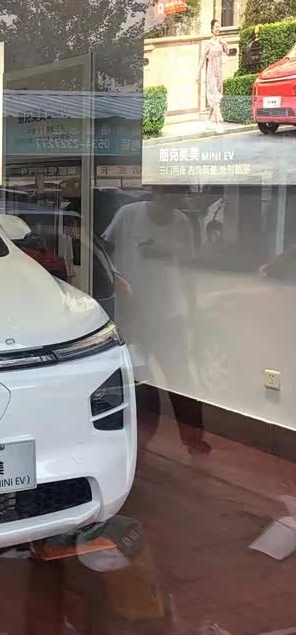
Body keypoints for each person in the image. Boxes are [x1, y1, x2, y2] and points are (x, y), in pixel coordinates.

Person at [103, 187, 210, 455]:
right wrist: (116, 278)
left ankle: (193, 438)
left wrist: (193, 308)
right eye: (169, 197)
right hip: (133, 315)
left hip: (169, 313)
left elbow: (187, 269)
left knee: (180, 377)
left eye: (177, 197)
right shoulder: (128, 215)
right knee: (138, 379)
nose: (172, 203)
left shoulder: (182, 222)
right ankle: (140, 441)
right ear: (156, 194)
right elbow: (104, 250)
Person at [198, 19, 229, 124]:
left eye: (219, 27)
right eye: (216, 27)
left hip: (219, 73)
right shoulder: (209, 44)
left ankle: (208, 120)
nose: (218, 29)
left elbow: (227, 51)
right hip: (211, 73)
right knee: (214, 97)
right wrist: (198, 73)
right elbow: (202, 58)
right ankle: (217, 123)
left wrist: (223, 42)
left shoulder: (220, 42)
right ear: (212, 29)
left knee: (216, 97)